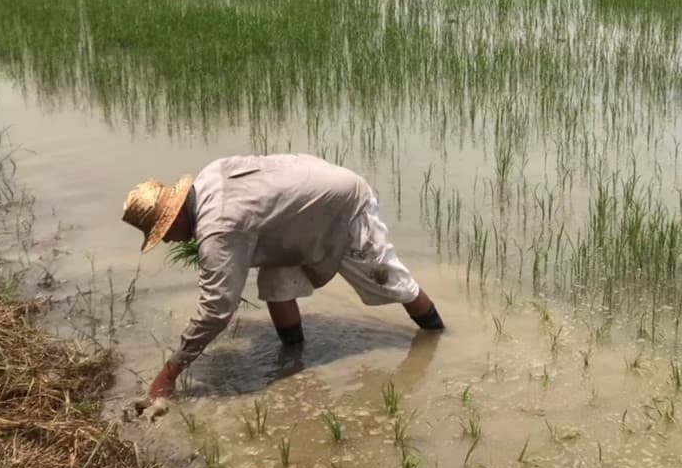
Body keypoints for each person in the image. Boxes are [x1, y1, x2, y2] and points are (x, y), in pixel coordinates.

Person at [121, 153, 444, 403]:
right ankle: (293, 360)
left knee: (390, 281)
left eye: (163, 232)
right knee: (276, 285)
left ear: (176, 214)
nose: (166, 240)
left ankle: (439, 340)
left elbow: (216, 310)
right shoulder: (210, 175)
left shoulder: (218, 228)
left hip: (343, 202)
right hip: (296, 211)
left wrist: (169, 373)